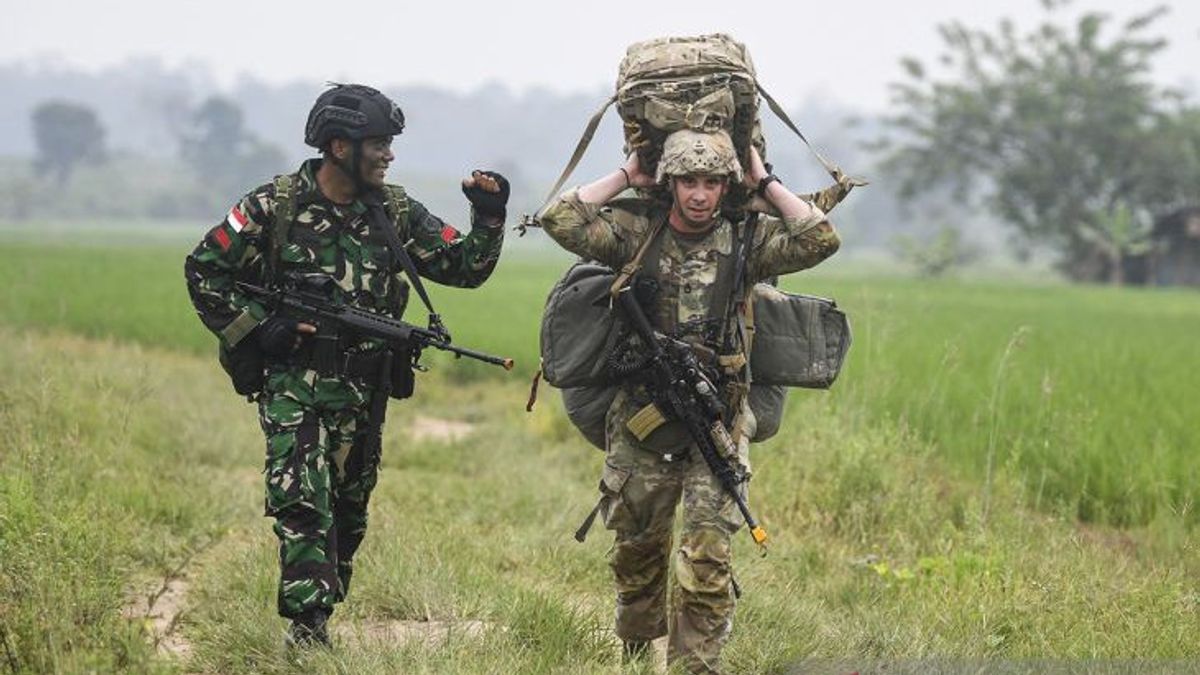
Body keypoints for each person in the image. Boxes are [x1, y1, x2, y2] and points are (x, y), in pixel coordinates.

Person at [184, 83, 507, 648]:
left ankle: (324, 607)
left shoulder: (397, 211)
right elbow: (203, 270)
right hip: (294, 383)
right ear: (339, 147)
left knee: (348, 512)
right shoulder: (273, 205)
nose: (389, 154)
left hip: (364, 388)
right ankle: (308, 633)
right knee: (303, 499)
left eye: (389, 144)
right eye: (378, 144)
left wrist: (489, 215)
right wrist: (260, 330)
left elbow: (464, 267)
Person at [538, 128, 840, 673]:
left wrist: (764, 182)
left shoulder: (746, 242)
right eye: (687, 181)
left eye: (710, 182)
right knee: (637, 554)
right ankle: (634, 653)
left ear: (726, 187)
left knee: (707, 559)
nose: (699, 195)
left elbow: (819, 240)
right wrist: (629, 175)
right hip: (640, 422)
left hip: (718, 421)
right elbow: (560, 219)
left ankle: (694, 666)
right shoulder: (637, 234)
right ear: (669, 182)